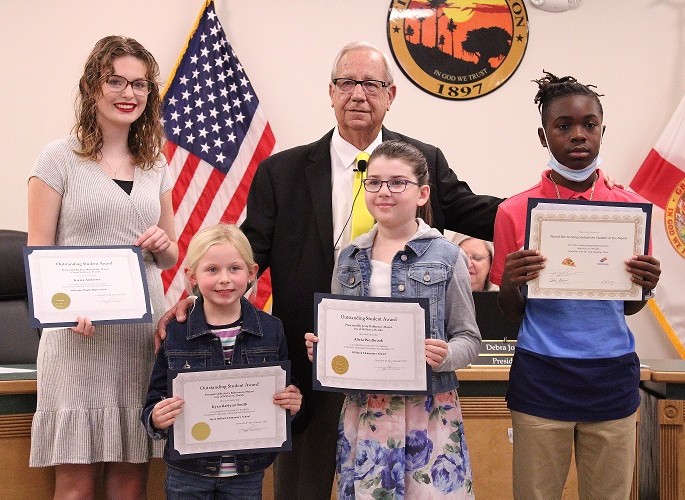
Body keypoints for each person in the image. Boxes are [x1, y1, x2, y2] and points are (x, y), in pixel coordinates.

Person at [158, 40, 501, 499]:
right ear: (331, 91)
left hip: (410, 386)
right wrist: (197, 302)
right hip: (312, 362)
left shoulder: (421, 163)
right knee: (305, 488)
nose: (358, 94)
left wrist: (548, 210)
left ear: (390, 94)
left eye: (371, 84)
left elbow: (475, 212)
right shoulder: (282, 172)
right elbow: (248, 253)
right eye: (347, 82)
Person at [490, 71, 661, 499]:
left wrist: (645, 286)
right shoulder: (514, 211)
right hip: (542, 373)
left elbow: (627, 308)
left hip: (612, 373)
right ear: (543, 135)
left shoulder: (631, 210)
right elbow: (510, 311)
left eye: (589, 125)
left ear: (603, 130)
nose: (578, 135)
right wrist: (513, 279)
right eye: (563, 126)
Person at [27, 36, 178, 498]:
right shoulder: (58, 158)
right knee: (75, 486)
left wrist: (162, 242)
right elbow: (39, 255)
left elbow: (172, 255)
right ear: (93, 86)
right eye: (115, 81)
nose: (127, 93)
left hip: (138, 336)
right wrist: (64, 312)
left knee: (130, 483)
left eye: (139, 84)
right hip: (76, 337)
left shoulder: (156, 164)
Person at [305, 140, 481, 498]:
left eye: (397, 182)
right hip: (366, 410)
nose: (384, 191)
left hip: (428, 412)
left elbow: (468, 337)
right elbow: (341, 334)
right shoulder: (350, 257)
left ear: (422, 193)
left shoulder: (447, 256)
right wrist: (324, 353)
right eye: (374, 182)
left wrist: (446, 354)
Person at [142, 223, 301, 499]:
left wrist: (293, 403)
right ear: (191, 276)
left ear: (252, 273)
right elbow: (155, 397)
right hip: (187, 473)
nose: (224, 279)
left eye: (234, 269)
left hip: (247, 473)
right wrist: (156, 418)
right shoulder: (176, 333)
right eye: (212, 269)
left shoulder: (272, 329)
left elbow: (284, 392)